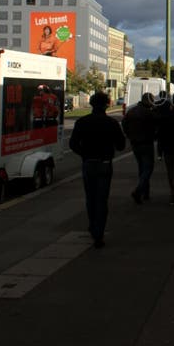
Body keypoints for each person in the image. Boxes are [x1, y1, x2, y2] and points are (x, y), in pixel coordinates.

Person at [69, 91, 125, 248]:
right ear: (106, 105)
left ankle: (92, 225)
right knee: (102, 199)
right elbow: (121, 146)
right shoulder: (112, 124)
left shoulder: (82, 122)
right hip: (105, 163)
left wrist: (84, 154)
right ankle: (98, 232)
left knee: (90, 197)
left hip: (88, 163)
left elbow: (73, 144)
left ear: (92, 104)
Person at [122, 92, 158, 204]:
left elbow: (124, 124)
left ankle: (144, 192)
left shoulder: (132, 111)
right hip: (146, 143)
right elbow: (156, 127)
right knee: (148, 168)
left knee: (142, 168)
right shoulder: (149, 113)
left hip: (135, 143)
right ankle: (139, 191)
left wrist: (129, 135)